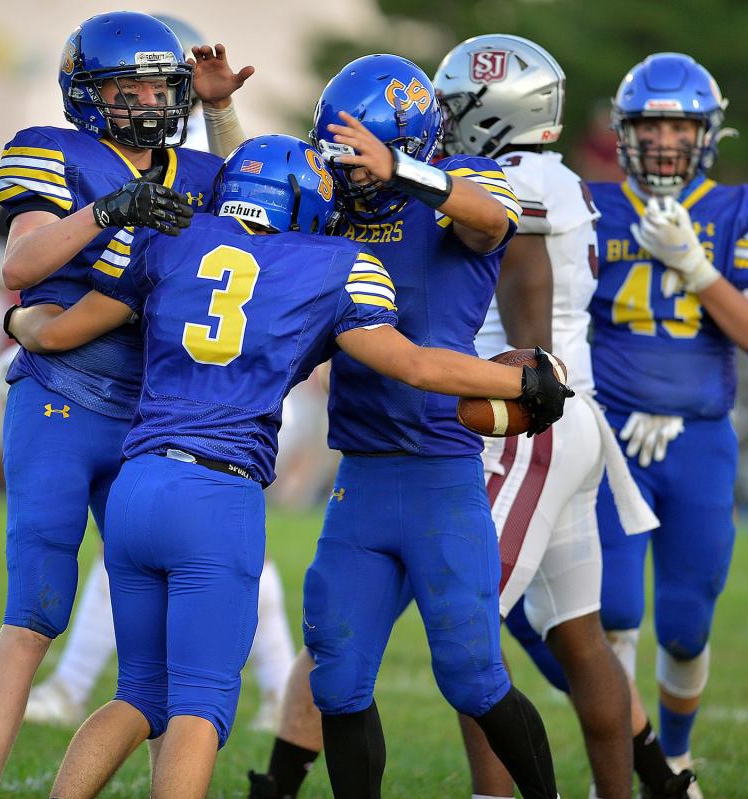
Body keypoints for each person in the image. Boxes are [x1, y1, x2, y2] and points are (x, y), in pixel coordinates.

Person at [3, 133, 568, 799]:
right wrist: (526, 385)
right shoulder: (333, 261)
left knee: (138, 695)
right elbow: (414, 363)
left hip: (138, 482)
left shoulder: (168, 238)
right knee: (200, 706)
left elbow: (59, 331)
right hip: (217, 493)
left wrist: (21, 327)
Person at [0, 12, 251, 799]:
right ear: (88, 95)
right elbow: (21, 262)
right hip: (62, 398)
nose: (152, 99)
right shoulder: (53, 151)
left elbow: (262, 202)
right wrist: (112, 208)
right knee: (38, 608)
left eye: (164, 84)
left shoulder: (195, 166)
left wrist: (222, 112)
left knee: (152, 643)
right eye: (132, 86)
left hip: (154, 415)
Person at [269, 54, 566, 799]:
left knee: (472, 675)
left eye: (364, 155)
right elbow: (252, 195)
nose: (352, 171)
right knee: (336, 674)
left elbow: (492, 218)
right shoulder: (335, 212)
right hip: (362, 475)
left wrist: (402, 170)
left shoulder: (456, 184)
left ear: (407, 143)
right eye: (344, 155)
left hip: (440, 472)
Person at [432, 34, 664, 799]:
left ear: (491, 114)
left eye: (456, 106)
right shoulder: (558, 176)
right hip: (574, 418)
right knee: (578, 631)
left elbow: (497, 246)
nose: (445, 119)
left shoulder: (512, 182)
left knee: (470, 624)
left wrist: (406, 178)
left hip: (528, 415)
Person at [584, 53, 748, 799]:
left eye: (680, 123)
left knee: (683, 621)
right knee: (611, 613)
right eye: (651, 122)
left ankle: (671, 757)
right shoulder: (588, 205)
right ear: (626, 130)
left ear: (707, 130)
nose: (666, 137)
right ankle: (622, 771)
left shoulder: (745, 212)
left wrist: (699, 270)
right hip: (608, 434)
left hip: (700, 437)